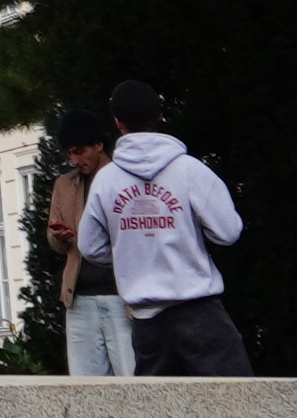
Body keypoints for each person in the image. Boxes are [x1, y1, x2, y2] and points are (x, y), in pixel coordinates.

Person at [81, 83, 251, 376]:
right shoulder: (189, 170)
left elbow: (89, 246)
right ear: (160, 116)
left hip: (146, 322)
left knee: (157, 417)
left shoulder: (106, 181)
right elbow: (228, 232)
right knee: (238, 408)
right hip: (200, 313)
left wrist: (130, 253)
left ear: (118, 123)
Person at [47, 108, 134, 379]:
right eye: (69, 154)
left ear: (98, 144)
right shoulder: (64, 184)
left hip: (122, 297)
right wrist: (60, 238)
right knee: (84, 386)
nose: (74, 160)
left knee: (133, 380)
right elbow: (53, 239)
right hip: (79, 298)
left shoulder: (123, 178)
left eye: (79, 151)